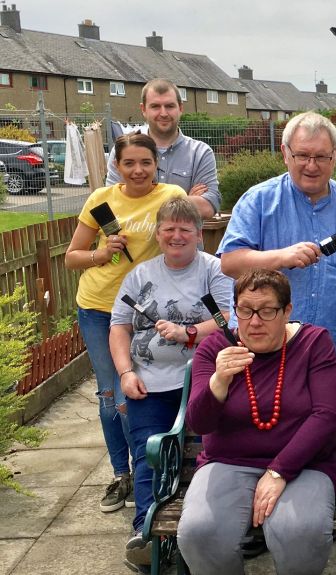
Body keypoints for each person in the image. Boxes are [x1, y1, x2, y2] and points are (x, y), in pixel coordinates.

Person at [177, 269, 336, 575]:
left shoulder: (313, 343)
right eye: (245, 310)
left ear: (287, 311)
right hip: (227, 460)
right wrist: (219, 381)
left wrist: (279, 470)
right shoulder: (215, 348)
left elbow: (326, 414)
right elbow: (199, 423)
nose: (254, 321)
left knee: (300, 530)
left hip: (304, 465)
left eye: (267, 311)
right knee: (199, 532)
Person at [109, 197, 233, 571]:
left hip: (204, 380)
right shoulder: (140, 276)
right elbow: (119, 326)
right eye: (168, 229)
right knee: (150, 453)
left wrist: (188, 331)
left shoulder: (214, 271)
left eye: (185, 229)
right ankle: (148, 534)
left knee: (203, 457)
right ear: (159, 234)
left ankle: (207, 530)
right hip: (148, 383)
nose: (176, 236)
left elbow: (229, 318)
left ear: (199, 234)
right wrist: (126, 372)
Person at [65, 132, 186, 515]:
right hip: (99, 308)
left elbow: (186, 232)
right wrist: (101, 254)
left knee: (134, 394)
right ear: (117, 165)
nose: (137, 170)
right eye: (129, 163)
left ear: (157, 165)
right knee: (109, 395)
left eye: (145, 163)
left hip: (148, 313)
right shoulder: (100, 201)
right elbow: (72, 257)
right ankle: (123, 475)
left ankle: (147, 470)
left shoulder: (170, 198)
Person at [218, 111, 336, 368]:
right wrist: (281, 257)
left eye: (321, 157)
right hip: (265, 346)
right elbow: (230, 262)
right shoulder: (258, 201)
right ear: (285, 153)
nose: (311, 165)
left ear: (335, 156)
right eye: (302, 155)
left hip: (331, 347)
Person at [106, 78, 220, 219]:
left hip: (182, 241)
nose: (163, 113)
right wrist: (183, 201)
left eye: (169, 106)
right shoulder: (124, 150)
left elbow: (208, 207)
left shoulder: (200, 153)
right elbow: (111, 204)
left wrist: (136, 203)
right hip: (130, 241)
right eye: (155, 106)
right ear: (143, 109)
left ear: (180, 108)